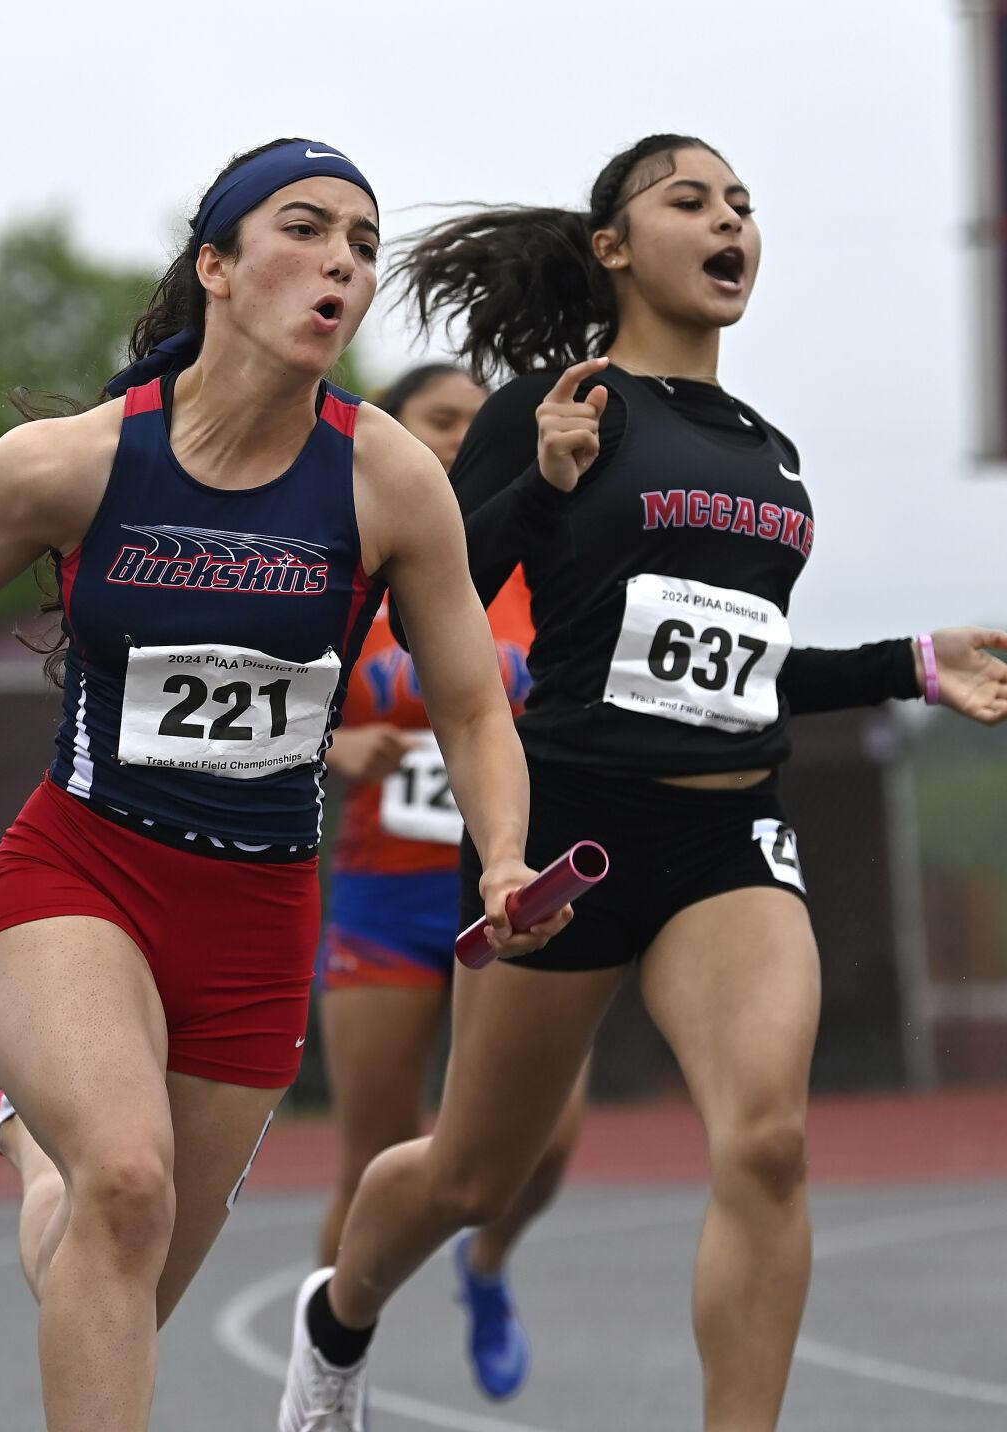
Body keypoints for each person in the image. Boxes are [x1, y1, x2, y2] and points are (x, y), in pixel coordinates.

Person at [277, 134, 1007, 1432]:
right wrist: (542, 481)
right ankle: (338, 1319)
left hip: (729, 833)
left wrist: (916, 663)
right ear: (616, 248)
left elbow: (734, 671)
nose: (728, 219)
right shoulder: (556, 402)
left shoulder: (772, 452)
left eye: (745, 203)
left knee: (767, 1140)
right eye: (690, 200)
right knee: (474, 1174)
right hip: (566, 835)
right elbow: (438, 612)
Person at [0, 137, 567, 1432]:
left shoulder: (386, 479)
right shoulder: (74, 462)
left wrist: (501, 855)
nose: (342, 264)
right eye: (306, 230)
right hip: (82, 871)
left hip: (259, 921)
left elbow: (474, 703)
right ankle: (58, 1146)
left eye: (363, 246)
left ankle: (29, 1143)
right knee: (131, 1189)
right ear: (217, 264)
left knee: (110, 1271)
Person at [318, 363, 587, 1401]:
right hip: (387, 895)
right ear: (388, 437)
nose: (464, 445)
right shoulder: (350, 565)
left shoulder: (537, 567)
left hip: (511, 890)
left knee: (542, 1138)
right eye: (440, 423)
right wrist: (339, 747)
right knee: (370, 1160)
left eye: (484, 430)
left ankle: (484, 1265)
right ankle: (327, 1367)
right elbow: (279, 700)